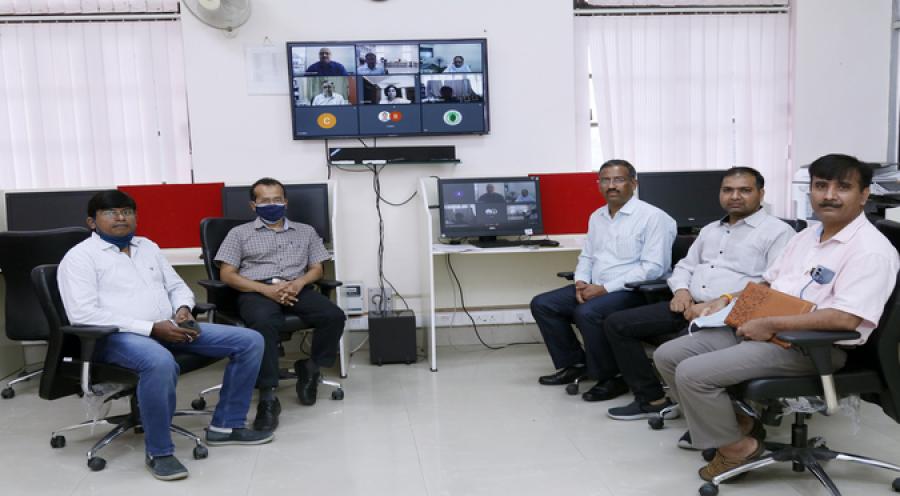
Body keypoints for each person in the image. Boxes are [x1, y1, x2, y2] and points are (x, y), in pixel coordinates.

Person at [653, 154, 899, 482]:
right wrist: (726, 300)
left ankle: (736, 449)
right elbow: (768, 284)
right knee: (668, 355)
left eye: (843, 187)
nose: (829, 195)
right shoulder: (806, 236)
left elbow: (844, 319)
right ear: (810, 191)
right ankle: (738, 425)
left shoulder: (870, 251)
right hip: (768, 329)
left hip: (813, 347)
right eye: (820, 186)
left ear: (864, 195)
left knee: (693, 374)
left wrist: (770, 324)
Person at [57, 190, 272, 481]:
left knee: (249, 341)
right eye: (110, 213)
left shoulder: (147, 246)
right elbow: (83, 314)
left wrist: (183, 309)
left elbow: (177, 286)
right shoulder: (80, 258)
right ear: (92, 222)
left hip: (168, 326)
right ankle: (159, 452)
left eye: (127, 211)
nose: (120, 217)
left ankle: (226, 426)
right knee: (159, 361)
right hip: (114, 337)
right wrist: (151, 328)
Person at [598, 167, 794, 419]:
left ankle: (721, 417)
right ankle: (652, 398)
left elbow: (772, 285)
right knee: (617, 324)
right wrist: (681, 291)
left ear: (761, 193)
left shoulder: (778, 232)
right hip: (689, 305)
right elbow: (685, 267)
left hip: (730, 314)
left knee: (679, 349)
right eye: (728, 190)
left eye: (745, 190)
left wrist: (718, 303)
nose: (735, 196)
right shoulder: (711, 229)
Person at [530, 160, 677, 387]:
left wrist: (605, 289)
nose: (611, 185)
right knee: (543, 304)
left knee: (588, 312)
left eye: (619, 180)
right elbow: (587, 256)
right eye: (605, 180)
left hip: (634, 291)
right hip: (596, 287)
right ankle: (575, 364)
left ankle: (611, 377)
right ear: (598, 185)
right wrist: (580, 282)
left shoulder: (654, 217)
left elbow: (653, 268)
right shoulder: (597, 216)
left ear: (633, 184)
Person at [215, 178, 346, 432]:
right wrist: (267, 290)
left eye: (277, 199)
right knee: (264, 324)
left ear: (285, 202)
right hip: (257, 290)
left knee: (333, 315)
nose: (272, 204)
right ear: (253, 205)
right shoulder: (239, 234)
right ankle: (268, 397)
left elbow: (317, 268)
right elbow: (227, 275)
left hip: (296, 287)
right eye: (264, 201)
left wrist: (298, 283)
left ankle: (311, 367)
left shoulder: (306, 231)